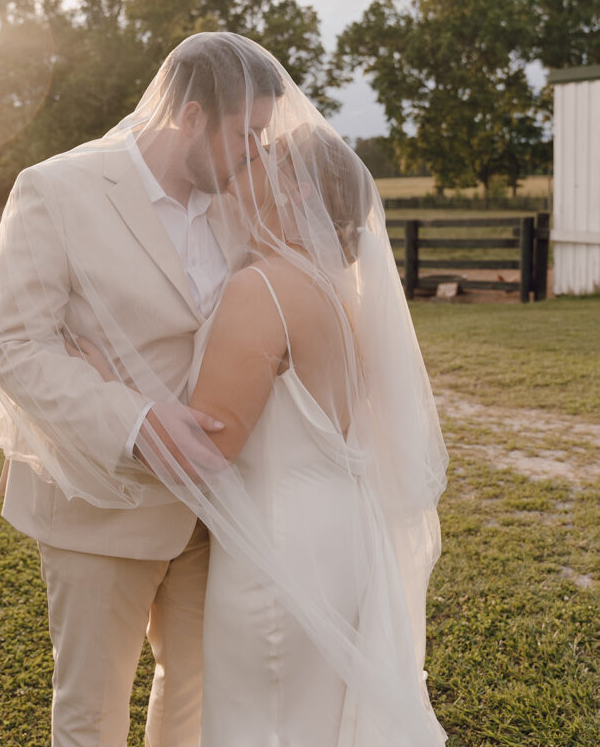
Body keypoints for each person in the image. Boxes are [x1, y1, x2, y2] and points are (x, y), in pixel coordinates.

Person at [61, 40, 449, 745]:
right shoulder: (340, 288)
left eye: (268, 155)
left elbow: (205, 449)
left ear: (297, 190)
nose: (251, 157)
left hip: (279, 551)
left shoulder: (261, 289)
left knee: (261, 724)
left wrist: (106, 381)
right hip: (341, 535)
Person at [0, 32, 283, 747]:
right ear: (191, 116)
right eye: (246, 134)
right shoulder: (56, 188)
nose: (256, 154)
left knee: (196, 692)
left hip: (214, 510)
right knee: (91, 712)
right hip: (100, 503)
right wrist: (135, 416)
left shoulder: (238, 201)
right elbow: (12, 343)